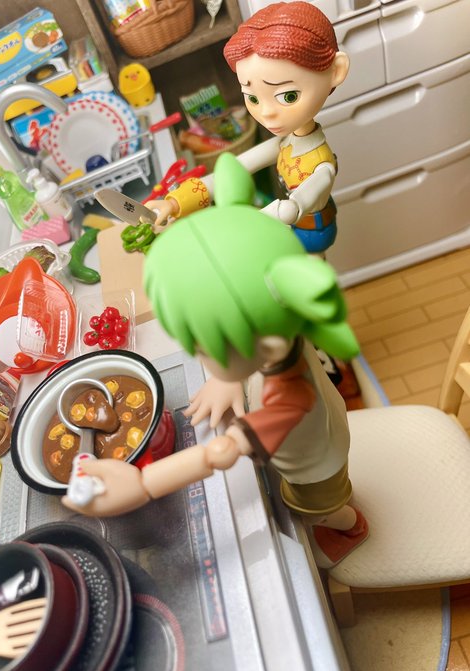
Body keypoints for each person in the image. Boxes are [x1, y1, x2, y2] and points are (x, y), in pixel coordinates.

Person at [63, 155, 368, 567]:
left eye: (206, 348)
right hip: (311, 431)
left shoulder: (290, 398)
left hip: (315, 464)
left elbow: (221, 452)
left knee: (318, 506)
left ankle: (350, 526)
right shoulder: (277, 303)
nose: (199, 355)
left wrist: (144, 483)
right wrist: (229, 376)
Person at [146, 1, 349, 254]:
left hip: (314, 232)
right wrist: (176, 202)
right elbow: (233, 170)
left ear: (336, 71)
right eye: (253, 98)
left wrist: (238, 226)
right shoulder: (284, 143)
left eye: (288, 96)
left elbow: (293, 207)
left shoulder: (321, 164)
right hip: (290, 225)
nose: (267, 112)